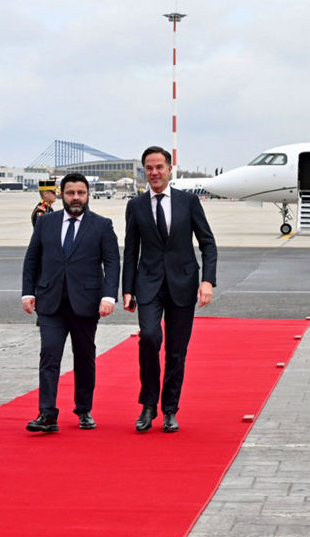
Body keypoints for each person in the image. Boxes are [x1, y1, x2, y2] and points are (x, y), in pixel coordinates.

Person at [122, 146, 218, 433]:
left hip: (183, 284)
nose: (154, 172)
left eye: (159, 167)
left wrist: (207, 281)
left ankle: (170, 410)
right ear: (144, 171)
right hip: (148, 284)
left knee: (177, 351)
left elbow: (208, 243)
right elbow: (131, 250)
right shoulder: (136, 206)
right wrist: (127, 288)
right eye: (149, 168)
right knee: (149, 338)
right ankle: (148, 404)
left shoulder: (188, 202)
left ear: (169, 168)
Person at [22, 173, 119, 433]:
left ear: (88, 195)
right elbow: (32, 258)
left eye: (81, 193)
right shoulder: (45, 223)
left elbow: (112, 262)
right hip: (51, 303)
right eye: (70, 193)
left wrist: (109, 296)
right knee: (49, 356)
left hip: (86, 304)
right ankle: (47, 414)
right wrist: (27, 292)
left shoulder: (102, 225)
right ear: (62, 194)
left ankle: (84, 409)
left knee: (84, 358)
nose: (76, 198)